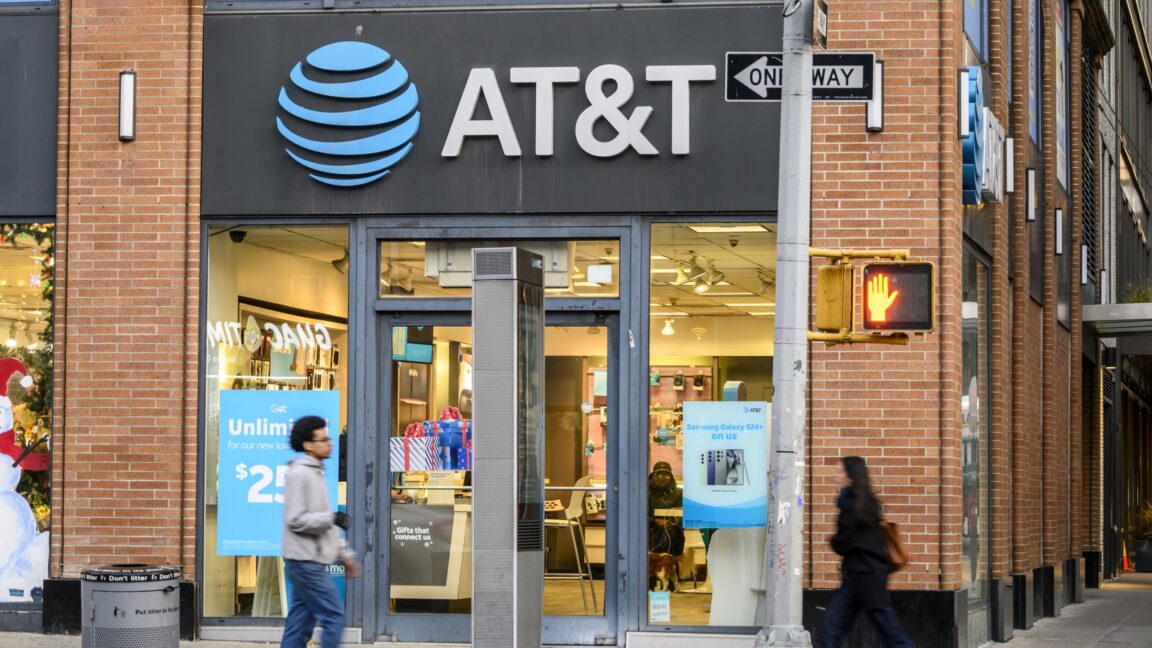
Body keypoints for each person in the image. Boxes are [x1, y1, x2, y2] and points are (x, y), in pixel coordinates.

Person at [281, 415, 360, 648]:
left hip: (307, 560)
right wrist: (331, 517)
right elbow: (295, 519)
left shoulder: (316, 472)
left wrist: (345, 556)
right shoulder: (300, 474)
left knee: (299, 626)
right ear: (308, 445)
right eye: (323, 439)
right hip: (305, 561)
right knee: (334, 616)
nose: (330, 442)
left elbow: (325, 522)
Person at [818, 456, 913, 648]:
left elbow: (842, 543)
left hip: (862, 576)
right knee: (835, 629)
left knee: (832, 629)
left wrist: (832, 540)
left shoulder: (851, 505)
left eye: (839, 471)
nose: (836, 475)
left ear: (850, 477)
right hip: (866, 576)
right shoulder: (866, 503)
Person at [647, 461, 685, 556]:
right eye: (660, 475)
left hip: (674, 537)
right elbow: (637, 516)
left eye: (667, 475)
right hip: (650, 536)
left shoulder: (678, 493)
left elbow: (683, 515)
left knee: (671, 567)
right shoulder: (644, 492)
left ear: (671, 476)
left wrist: (671, 523)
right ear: (653, 475)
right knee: (651, 567)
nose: (663, 478)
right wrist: (655, 521)